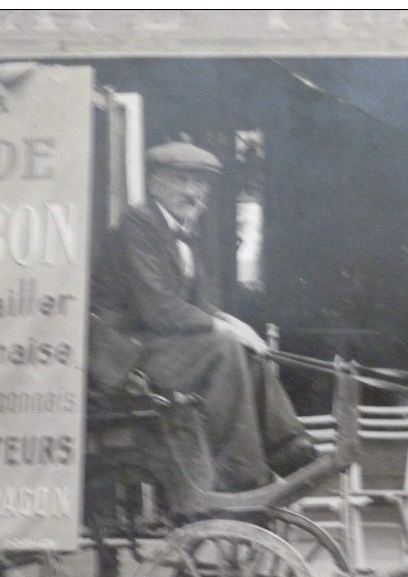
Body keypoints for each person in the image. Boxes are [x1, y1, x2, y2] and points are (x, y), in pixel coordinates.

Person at [91, 141, 315, 491]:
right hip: (130, 354)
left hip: (161, 346)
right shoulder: (138, 223)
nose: (193, 192)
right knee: (223, 348)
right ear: (155, 185)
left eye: (200, 184)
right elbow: (158, 307)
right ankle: (239, 474)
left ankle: (286, 446)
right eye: (182, 180)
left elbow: (199, 305)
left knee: (247, 349)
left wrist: (235, 324)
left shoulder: (184, 232)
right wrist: (222, 328)